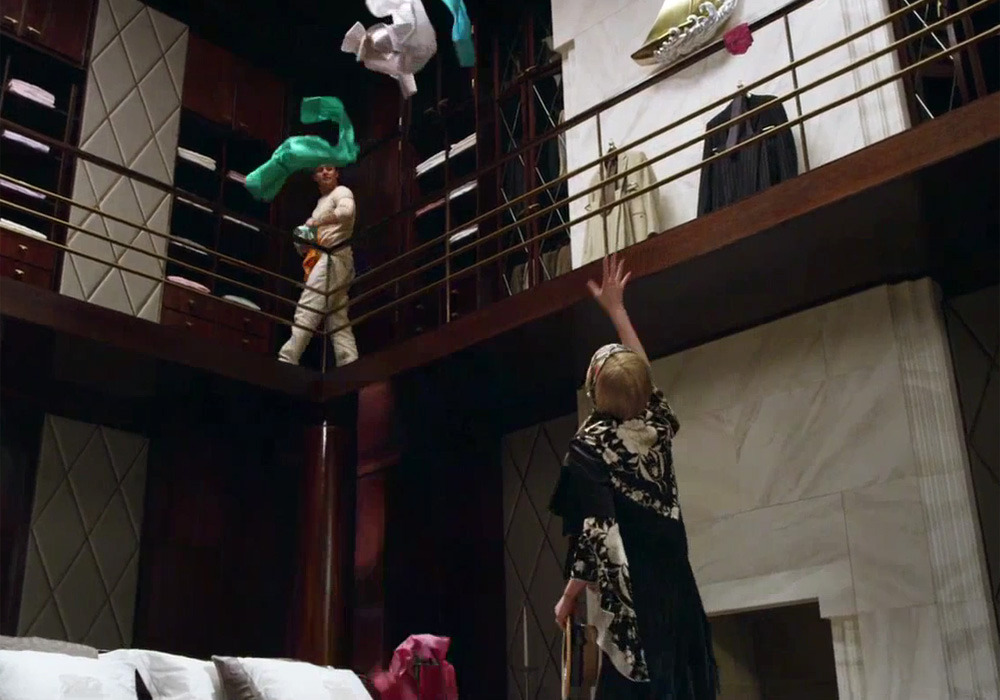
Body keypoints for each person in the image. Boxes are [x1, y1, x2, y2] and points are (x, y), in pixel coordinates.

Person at [549, 255, 718, 699]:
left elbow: (596, 533)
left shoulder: (590, 446)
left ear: (593, 389)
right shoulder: (656, 425)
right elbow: (642, 375)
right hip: (677, 585)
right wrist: (618, 311)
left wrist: (569, 596)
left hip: (635, 595)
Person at [278, 165, 359, 367]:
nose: (325, 172)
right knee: (337, 317)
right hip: (329, 257)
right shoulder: (321, 202)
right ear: (315, 177)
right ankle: (349, 362)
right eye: (320, 170)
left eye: (329, 168)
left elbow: (346, 211)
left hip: (334, 256)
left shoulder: (341, 191)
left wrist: (316, 222)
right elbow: (311, 239)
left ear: (337, 173)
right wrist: (303, 238)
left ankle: (288, 357)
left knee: (308, 305)